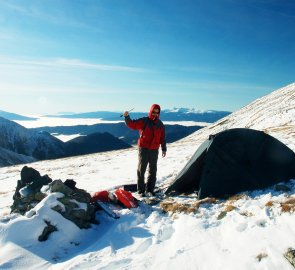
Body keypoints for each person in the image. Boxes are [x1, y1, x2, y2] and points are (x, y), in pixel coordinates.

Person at [124, 104, 167, 196]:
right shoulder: (144, 121)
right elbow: (132, 124)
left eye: (157, 112)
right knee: (141, 169)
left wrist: (164, 148)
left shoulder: (160, 124)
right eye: (154, 111)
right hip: (144, 148)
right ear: (151, 111)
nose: (155, 114)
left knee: (153, 170)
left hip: (154, 150)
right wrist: (127, 117)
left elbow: (162, 138)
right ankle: (141, 190)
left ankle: (150, 190)